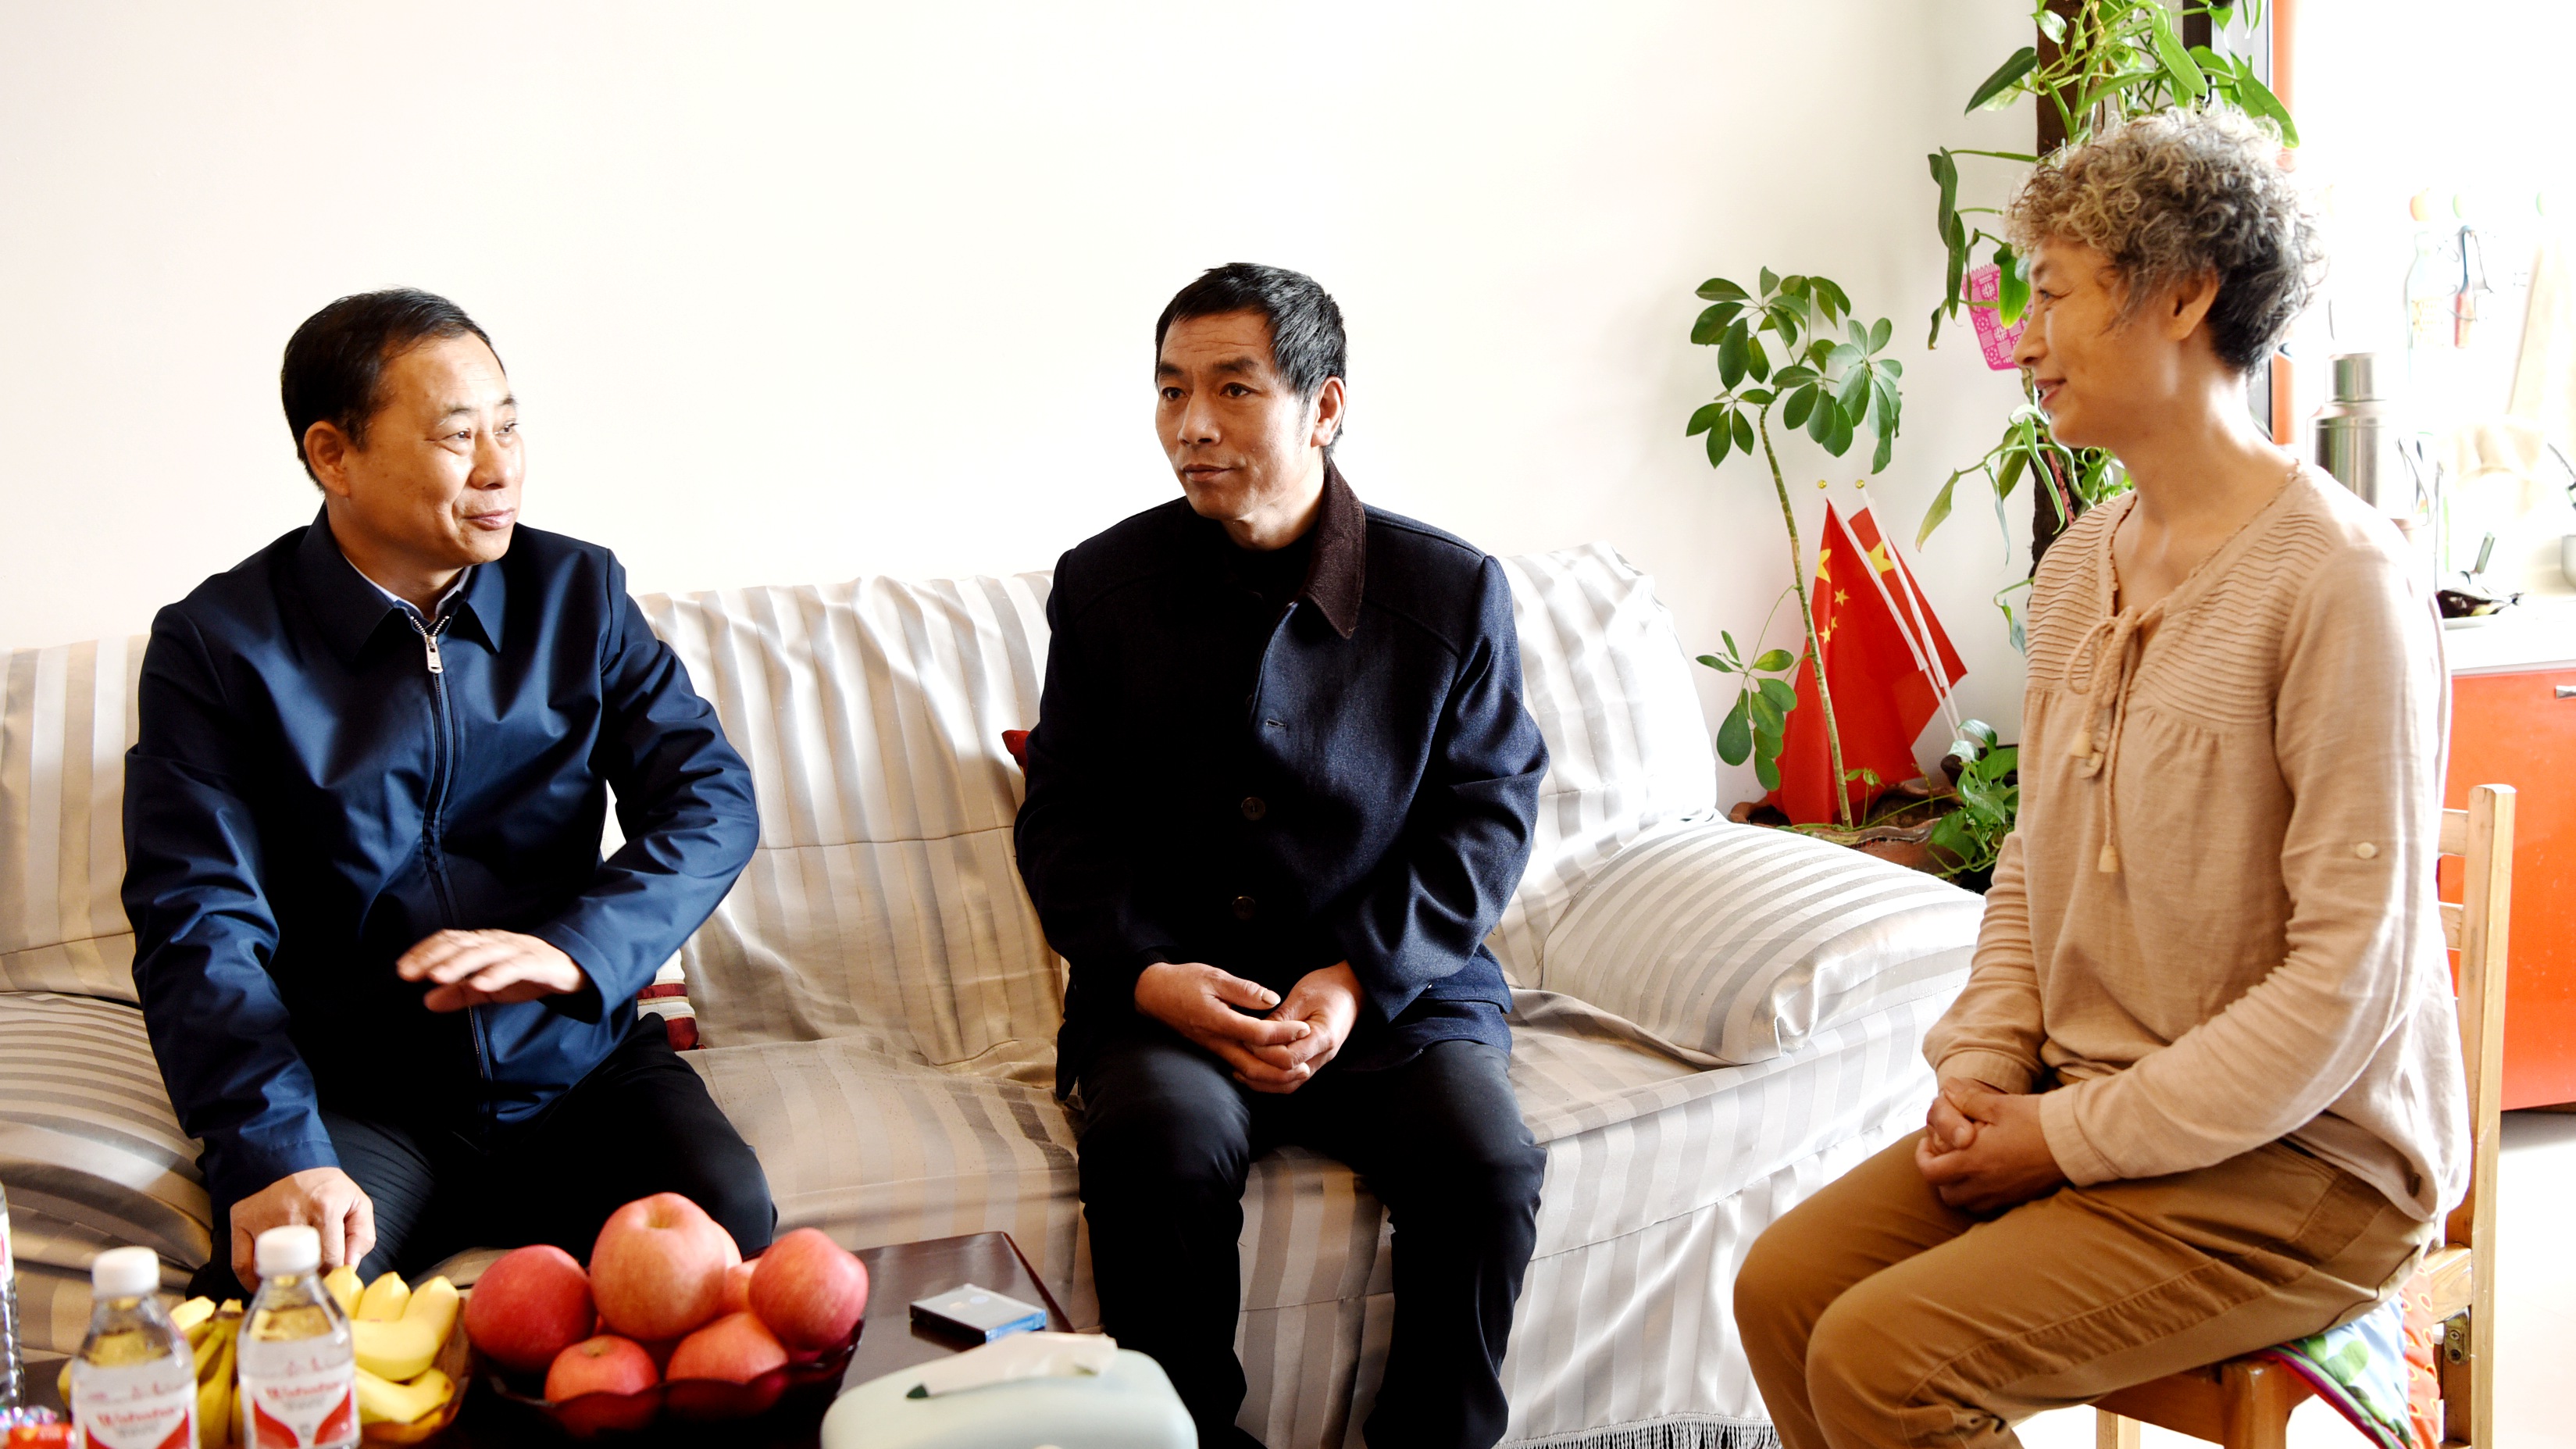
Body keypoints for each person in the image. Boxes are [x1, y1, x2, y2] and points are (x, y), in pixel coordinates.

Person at [1733, 109, 2469, 1448]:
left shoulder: (2339, 582)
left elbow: (2342, 983)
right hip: (2091, 1100)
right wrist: (1983, 1066)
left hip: (2302, 1164)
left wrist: (2062, 1142)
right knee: (1782, 1292)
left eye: (2053, 293)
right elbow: (2035, 860)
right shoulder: (2081, 563)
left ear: (2182, 296)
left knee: (1884, 1361)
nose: (2020, 339)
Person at [125, 289, 772, 1299]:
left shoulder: (578, 593)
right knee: (289, 1306)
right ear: (334, 455)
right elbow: (197, 915)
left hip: (579, 1072)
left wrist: (578, 950)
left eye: (509, 426)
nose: (499, 467)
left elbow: (709, 798)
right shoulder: (218, 647)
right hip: (366, 1100)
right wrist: (272, 1145)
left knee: (726, 1225)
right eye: (457, 436)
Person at [1015, 263, 1550, 1449]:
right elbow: (1063, 820)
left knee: (1484, 1169)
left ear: (1324, 407)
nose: (1191, 425)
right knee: (1154, 1152)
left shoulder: (1449, 590)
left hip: (1392, 992)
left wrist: (1357, 978)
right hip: (1172, 989)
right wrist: (1148, 974)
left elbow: (1487, 814)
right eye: (1170, 391)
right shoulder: (1104, 587)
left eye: (1232, 389)